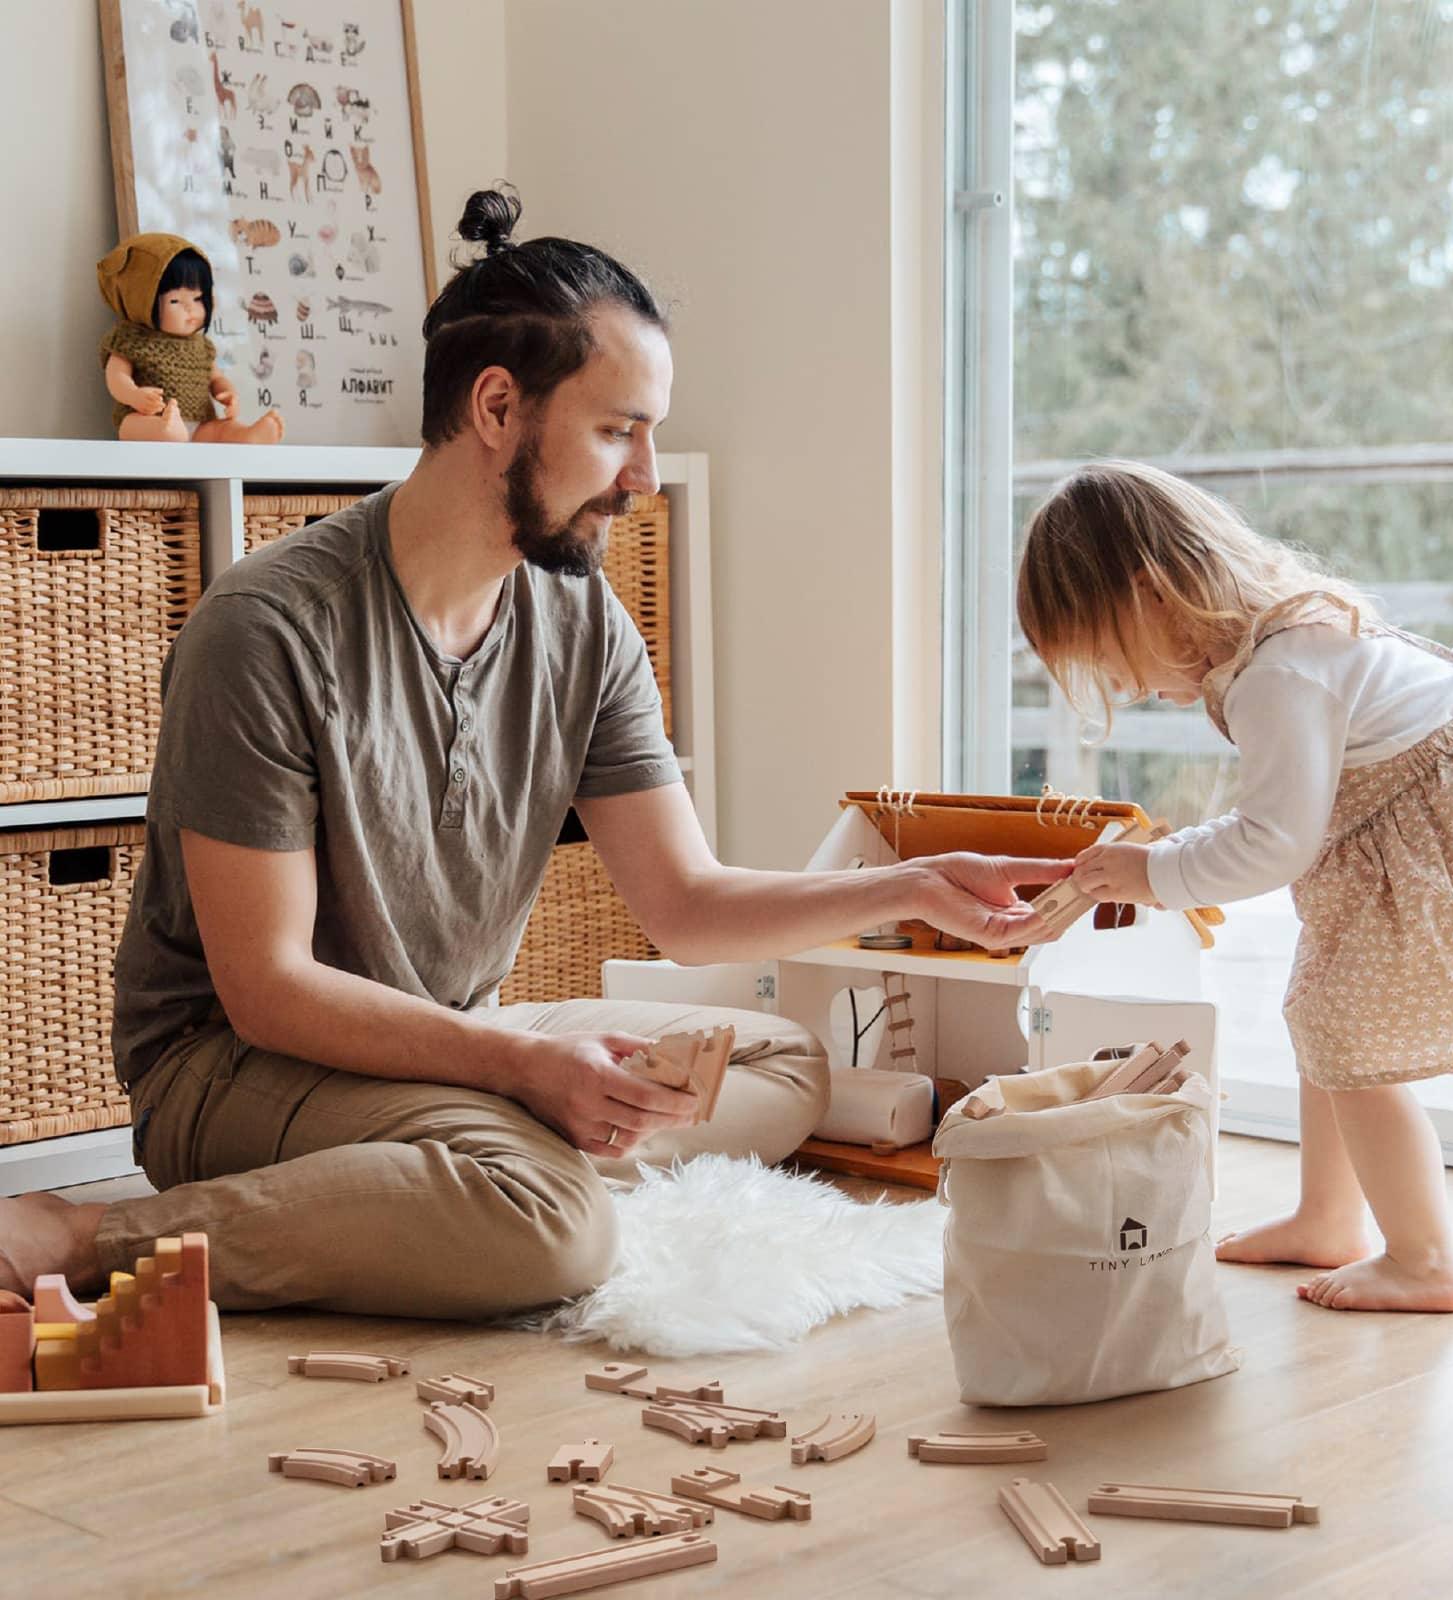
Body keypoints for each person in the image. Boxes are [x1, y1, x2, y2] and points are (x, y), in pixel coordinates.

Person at [0, 188, 1069, 1321]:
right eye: (618, 430)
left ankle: (440, 1175)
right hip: (234, 1068)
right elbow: (267, 991)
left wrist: (911, 884)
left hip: (453, 1034)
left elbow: (687, 904)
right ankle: (83, 1232)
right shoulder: (266, 627)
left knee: (776, 1067)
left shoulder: (586, 623)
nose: (646, 475)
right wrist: (516, 1072)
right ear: (498, 407)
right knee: (554, 1228)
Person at [1016, 459, 1453, 1313]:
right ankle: (1330, 1217)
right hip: (1432, 816)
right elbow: (1283, 817)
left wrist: (1154, 874)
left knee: (1354, 1043)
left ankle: (1425, 1259)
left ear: (1151, 595)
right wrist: (1172, 857)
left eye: (1109, 660)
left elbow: (1274, 844)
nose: (1124, 688)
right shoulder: (1278, 642)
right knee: (1325, 1013)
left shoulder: (1278, 675)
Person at [96, 232, 284, 443]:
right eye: (175, 301)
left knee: (223, 429)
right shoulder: (130, 340)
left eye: (197, 298)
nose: (190, 309)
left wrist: (227, 393)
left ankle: (247, 437)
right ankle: (166, 431)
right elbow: (116, 378)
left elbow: (216, 378)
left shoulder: (202, 347)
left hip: (201, 424)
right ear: (139, 302)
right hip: (149, 416)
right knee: (132, 425)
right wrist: (134, 396)